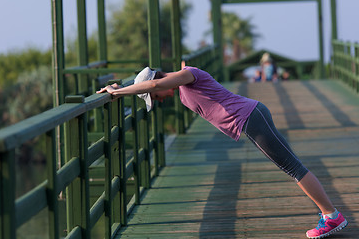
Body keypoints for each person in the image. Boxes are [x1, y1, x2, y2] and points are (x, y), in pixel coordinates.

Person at [97, 66, 348, 238]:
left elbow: (153, 81)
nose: (159, 100)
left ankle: (331, 215)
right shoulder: (183, 84)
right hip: (251, 118)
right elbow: (150, 82)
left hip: (251, 117)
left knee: (293, 168)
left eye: (154, 96)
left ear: (159, 81)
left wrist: (117, 92)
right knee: (291, 167)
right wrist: (123, 85)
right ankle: (328, 213)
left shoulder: (187, 75)